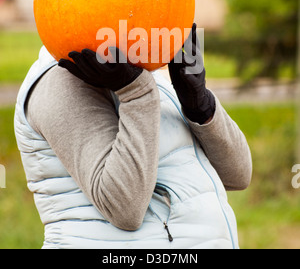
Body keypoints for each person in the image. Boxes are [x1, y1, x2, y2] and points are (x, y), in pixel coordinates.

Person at [14, 24, 252, 249]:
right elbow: (124, 208)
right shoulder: (58, 80)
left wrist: (200, 106)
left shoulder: (140, 69)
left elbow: (238, 175)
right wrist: (137, 93)